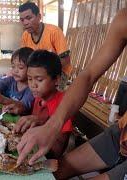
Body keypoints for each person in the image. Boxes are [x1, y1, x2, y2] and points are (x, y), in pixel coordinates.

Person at [17, 9, 127, 179]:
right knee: (52, 173)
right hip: (122, 131)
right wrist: (51, 126)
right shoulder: (124, 19)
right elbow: (88, 75)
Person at [13, 50, 73, 158]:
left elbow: (58, 150)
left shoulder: (64, 104)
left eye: (39, 80)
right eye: (29, 79)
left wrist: (41, 123)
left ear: (57, 80)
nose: (32, 85)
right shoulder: (39, 98)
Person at [19, 2, 71, 89]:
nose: (25, 23)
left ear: (39, 17)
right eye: (22, 20)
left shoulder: (54, 31)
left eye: (28, 18)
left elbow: (65, 61)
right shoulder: (25, 35)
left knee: (43, 90)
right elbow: (24, 59)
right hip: (36, 73)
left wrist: (42, 72)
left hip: (58, 72)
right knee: (20, 84)